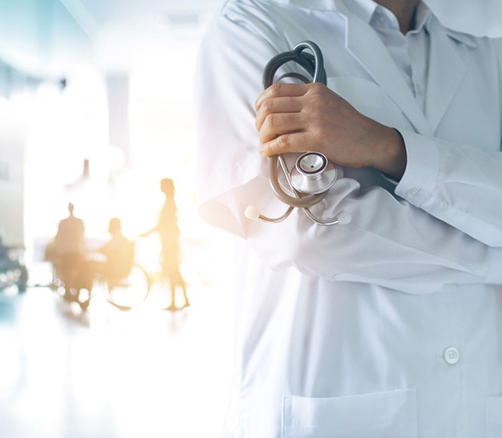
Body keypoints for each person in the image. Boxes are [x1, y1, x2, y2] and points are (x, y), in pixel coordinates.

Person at [196, 1, 502, 436]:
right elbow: (304, 234)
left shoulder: (491, 57)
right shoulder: (253, 23)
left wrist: (389, 148)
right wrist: (493, 254)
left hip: (475, 410)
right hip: (333, 407)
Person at [142, 178, 189, 311]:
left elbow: (163, 224)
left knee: (172, 271)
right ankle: (182, 300)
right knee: (175, 272)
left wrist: (147, 233)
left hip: (169, 243)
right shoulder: (170, 202)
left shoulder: (169, 204)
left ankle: (175, 301)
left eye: (161, 185)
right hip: (169, 242)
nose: (159, 187)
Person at [52, 202, 89, 299]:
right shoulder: (79, 222)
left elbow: (57, 236)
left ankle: (68, 290)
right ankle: (75, 289)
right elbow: (82, 235)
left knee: (66, 271)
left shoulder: (63, 222)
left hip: (65, 251)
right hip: (76, 251)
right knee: (75, 270)